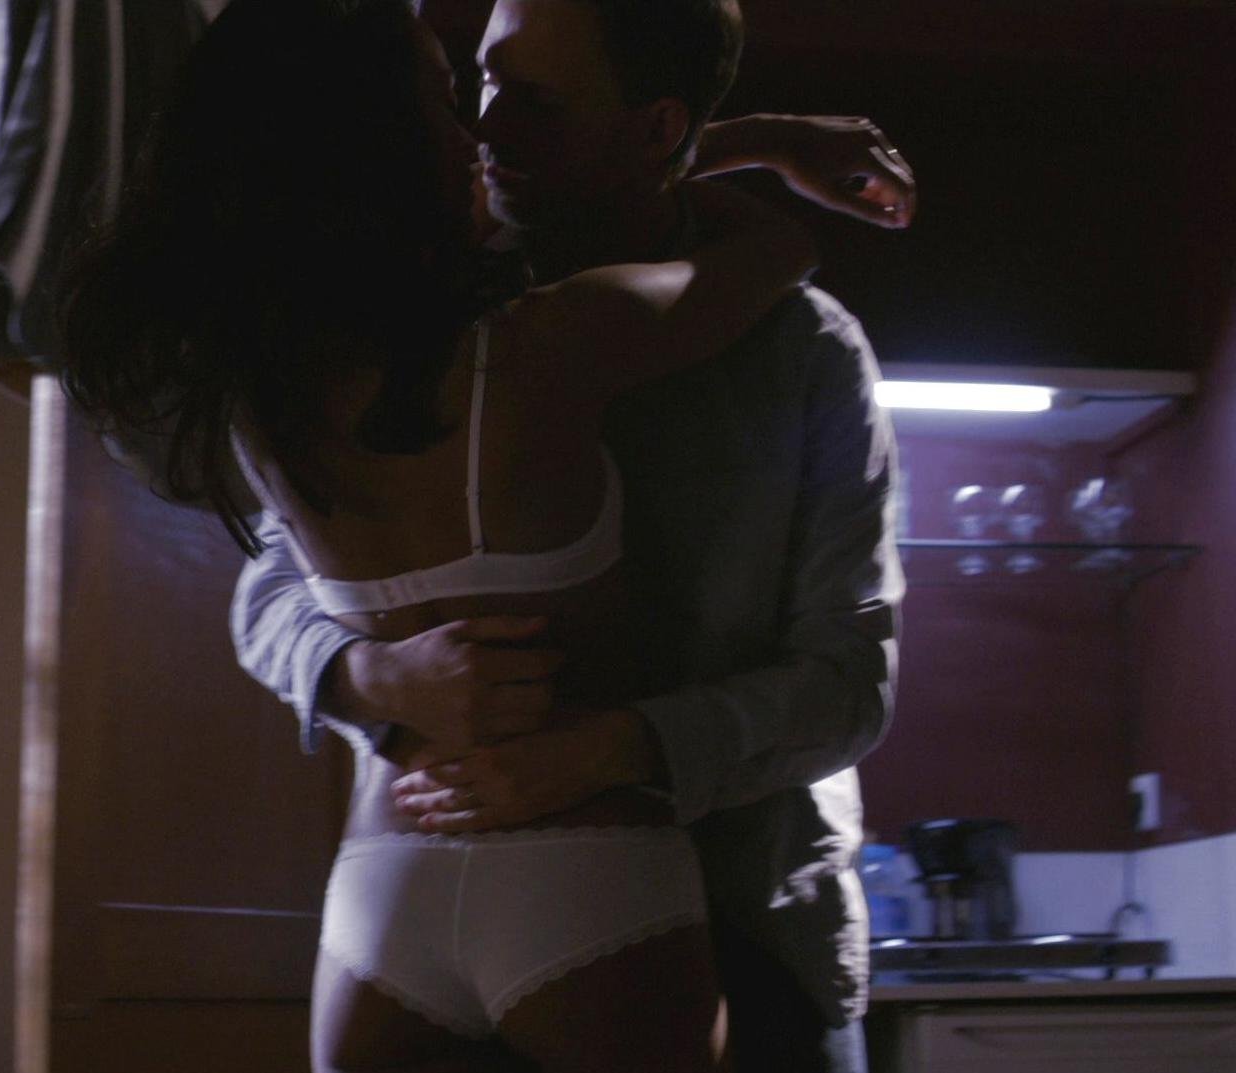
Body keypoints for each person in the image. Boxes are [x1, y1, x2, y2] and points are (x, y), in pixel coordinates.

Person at [60, 1, 903, 1069]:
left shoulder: (801, 351)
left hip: (750, 916)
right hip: (443, 894)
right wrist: (372, 673)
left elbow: (849, 681)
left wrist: (617, 747)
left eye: (535, 100)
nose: (491, 128)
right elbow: (271, 591)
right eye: (481, 87)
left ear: (654, 127)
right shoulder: (409, 318)